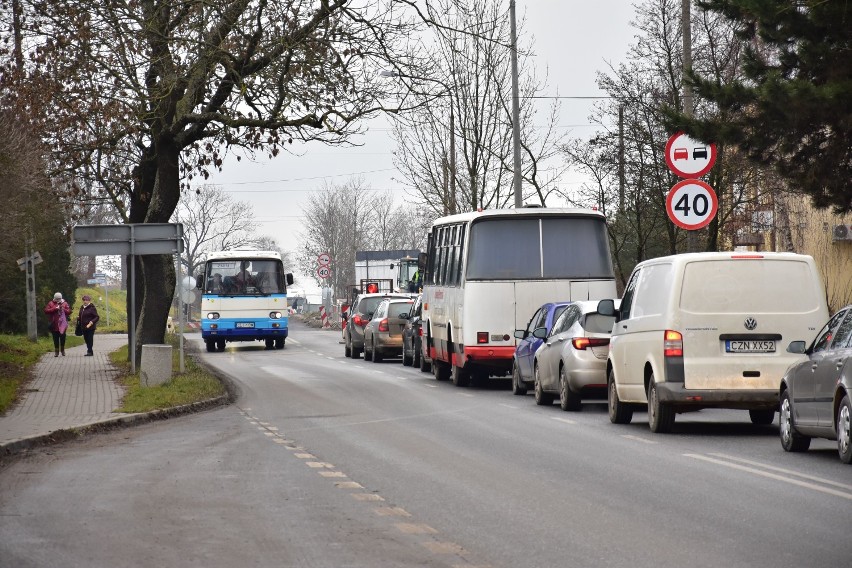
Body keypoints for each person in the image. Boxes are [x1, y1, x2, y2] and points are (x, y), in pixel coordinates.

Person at [44, 292, 72, 357]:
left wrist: (63, 309)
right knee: (55, 338)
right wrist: (54, 308)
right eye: (56, 299)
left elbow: (69, 311)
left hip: (62, 324)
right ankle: (56, 351)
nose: (58, 300)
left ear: (61, 298)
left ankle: (62, 350)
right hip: (54, 324)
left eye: (59, 299)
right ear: (54, 298)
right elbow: (46, 311)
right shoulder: (51, 303)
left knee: (63, 338)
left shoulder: (64, 303)